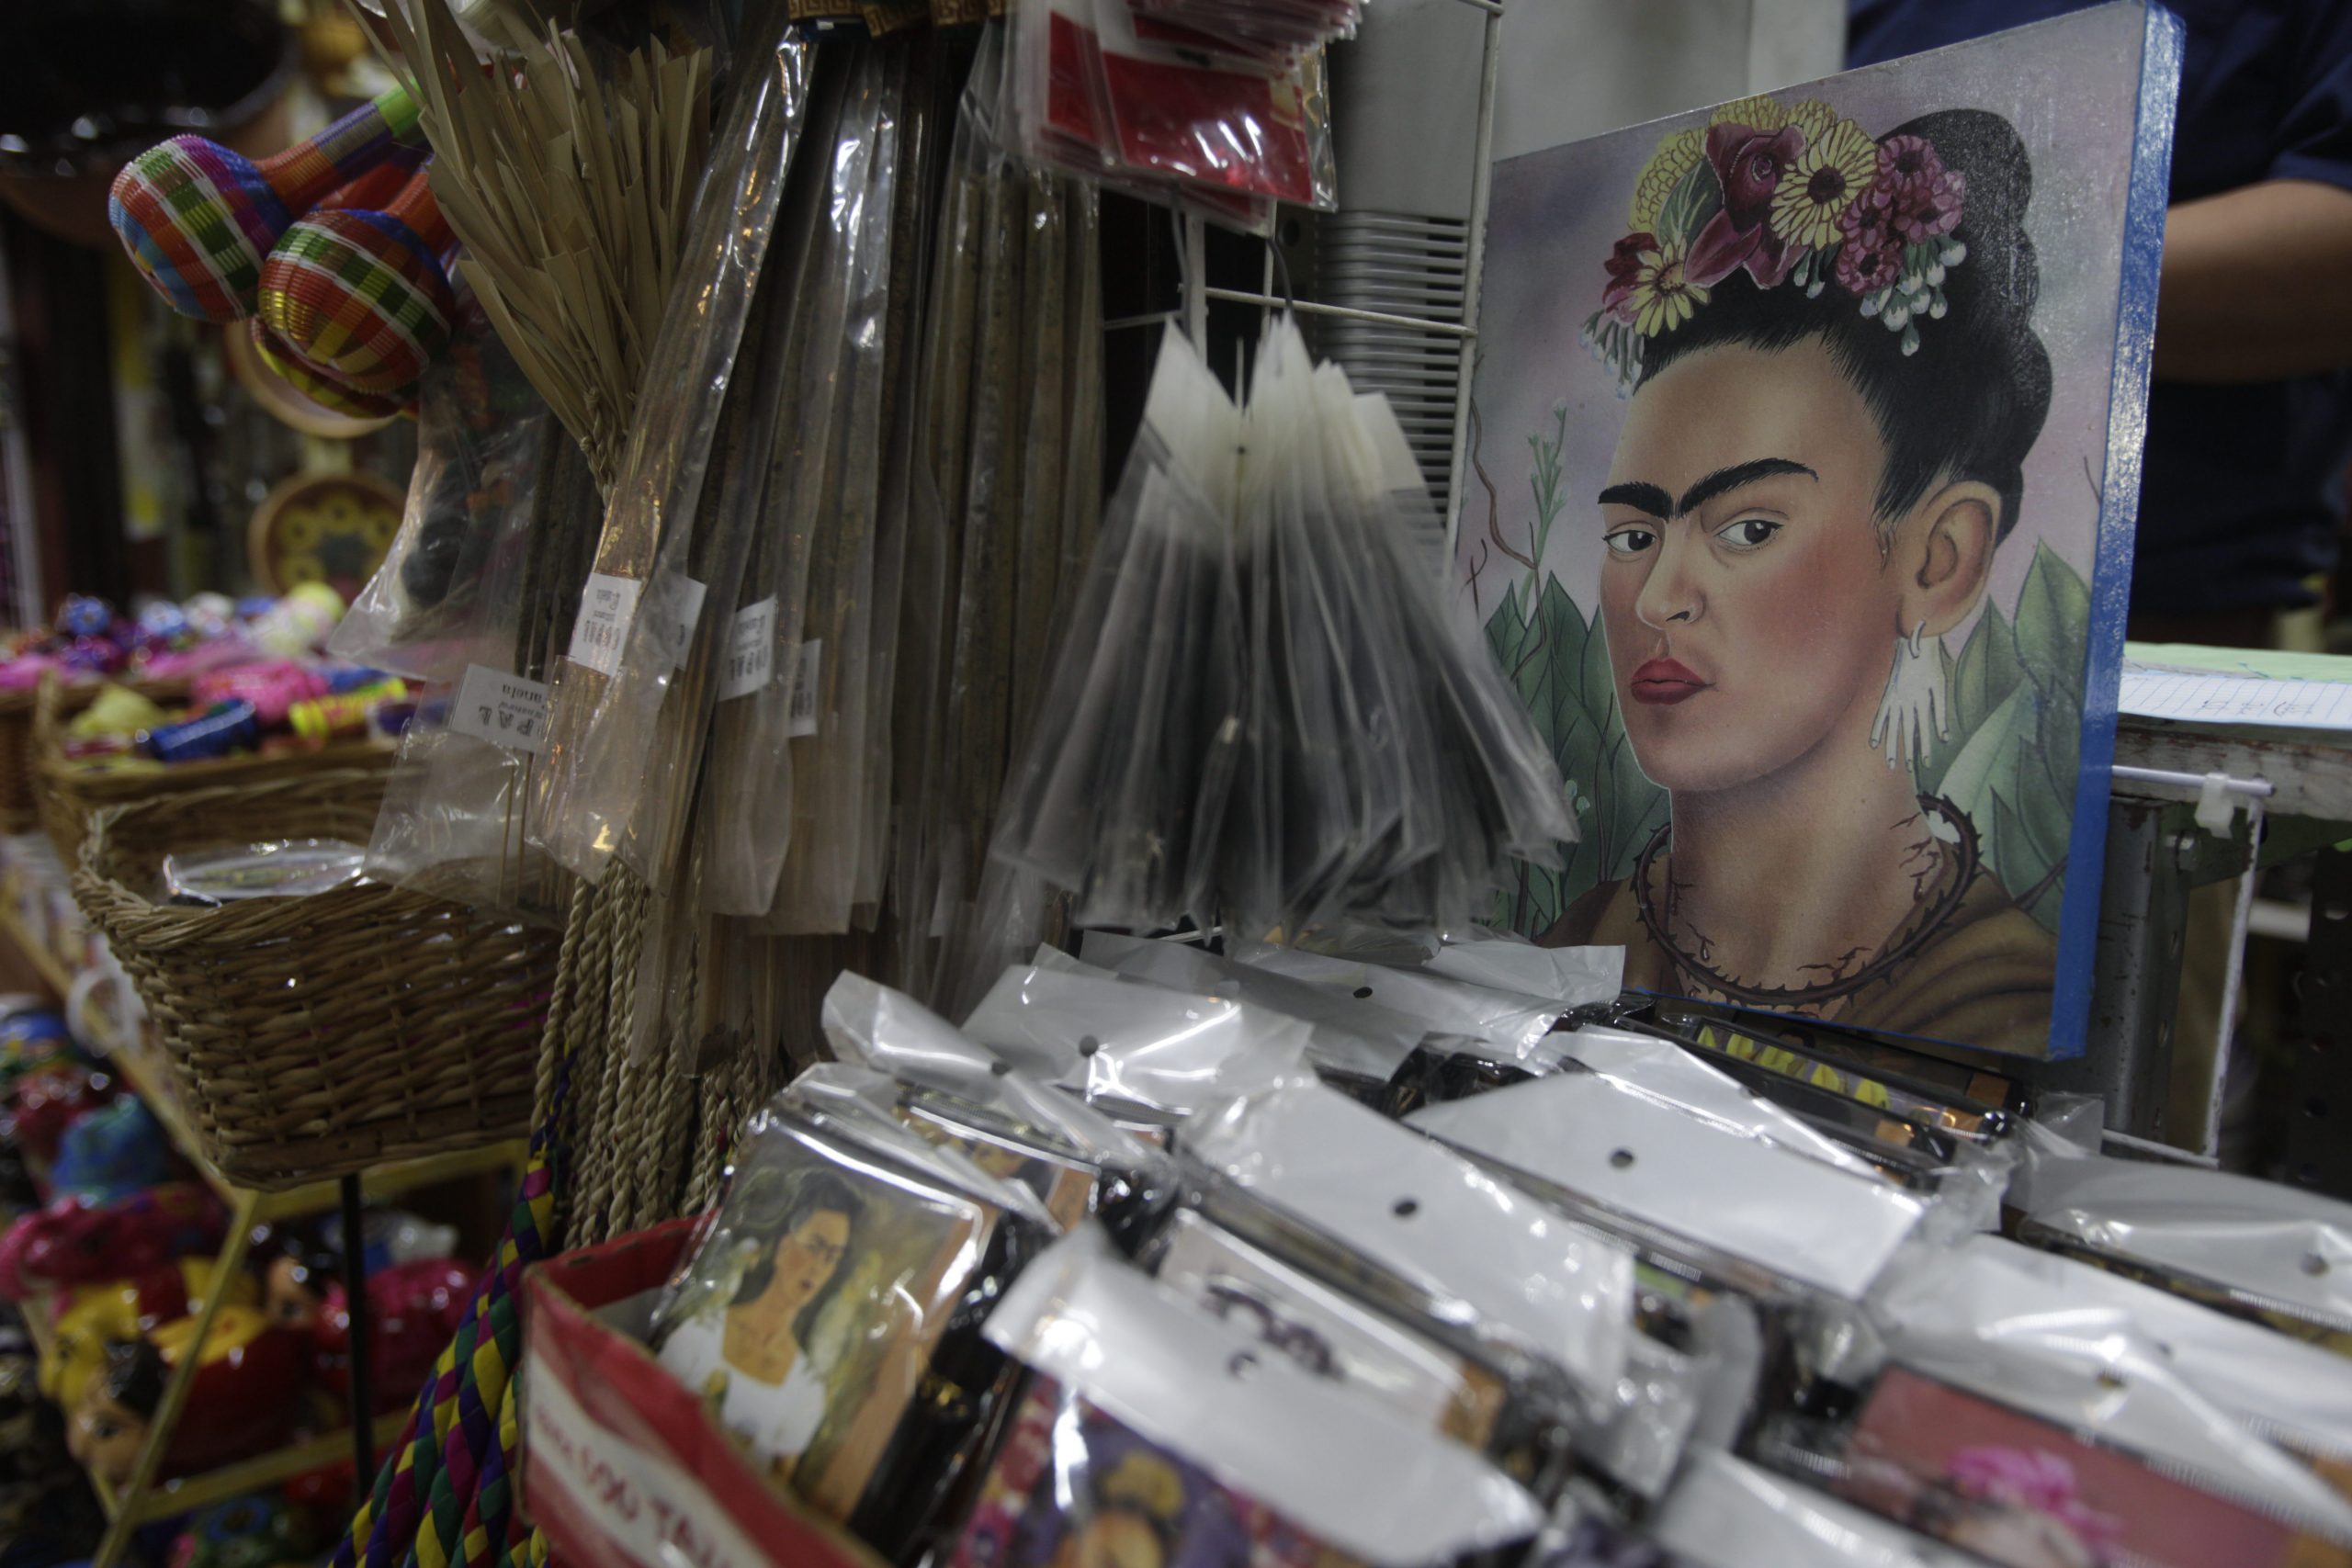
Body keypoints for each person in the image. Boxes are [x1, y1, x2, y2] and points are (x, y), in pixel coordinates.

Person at [1540, 107, 2060, 1054]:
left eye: (1746, 527)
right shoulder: (1569, 950)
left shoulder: (1996, 1014)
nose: (1657, 599)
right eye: (1631, 535)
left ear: (1940, 560)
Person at [657, 1167, 863, 1483]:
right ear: (782, 1246)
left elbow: (778, 1497)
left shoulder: (806, 1391)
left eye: (832, 1256)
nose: (819, 1267)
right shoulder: (698, 1334)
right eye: (814, 1246)